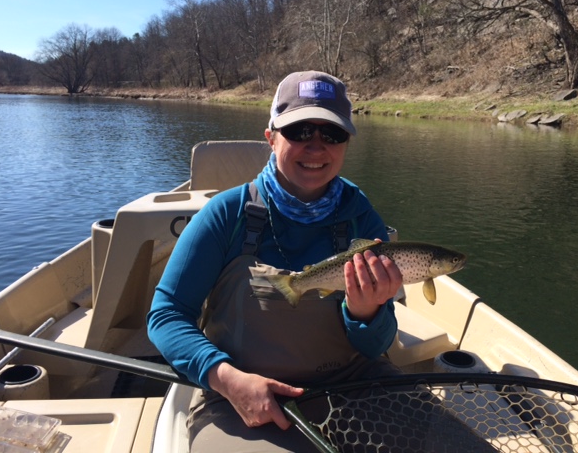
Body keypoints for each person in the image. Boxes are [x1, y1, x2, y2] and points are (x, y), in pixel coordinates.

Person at [147, 70, 403, 452]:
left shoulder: (362, 220)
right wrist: (227, 379)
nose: (316, 147)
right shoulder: (225, 215)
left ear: (346, 144)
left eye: (332, 134)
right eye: (300, 131)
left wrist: (367, 314)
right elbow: (166, 315)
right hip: (240, 399)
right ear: (271, 138)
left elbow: (375, 346)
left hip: (354, 386)